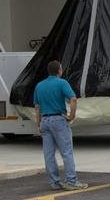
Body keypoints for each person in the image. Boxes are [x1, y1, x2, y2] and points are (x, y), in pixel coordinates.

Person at [33, 60, 88, 190]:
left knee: (49, 154)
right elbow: (73, 99)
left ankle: (54, 181)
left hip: (44, 121)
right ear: (59, 71)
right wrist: (71, 116)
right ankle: (71, 180)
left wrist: (38, 124)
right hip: (58, 119)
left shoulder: (39, 86)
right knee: (66, 152)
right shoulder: (62, 83)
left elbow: (36, 107)